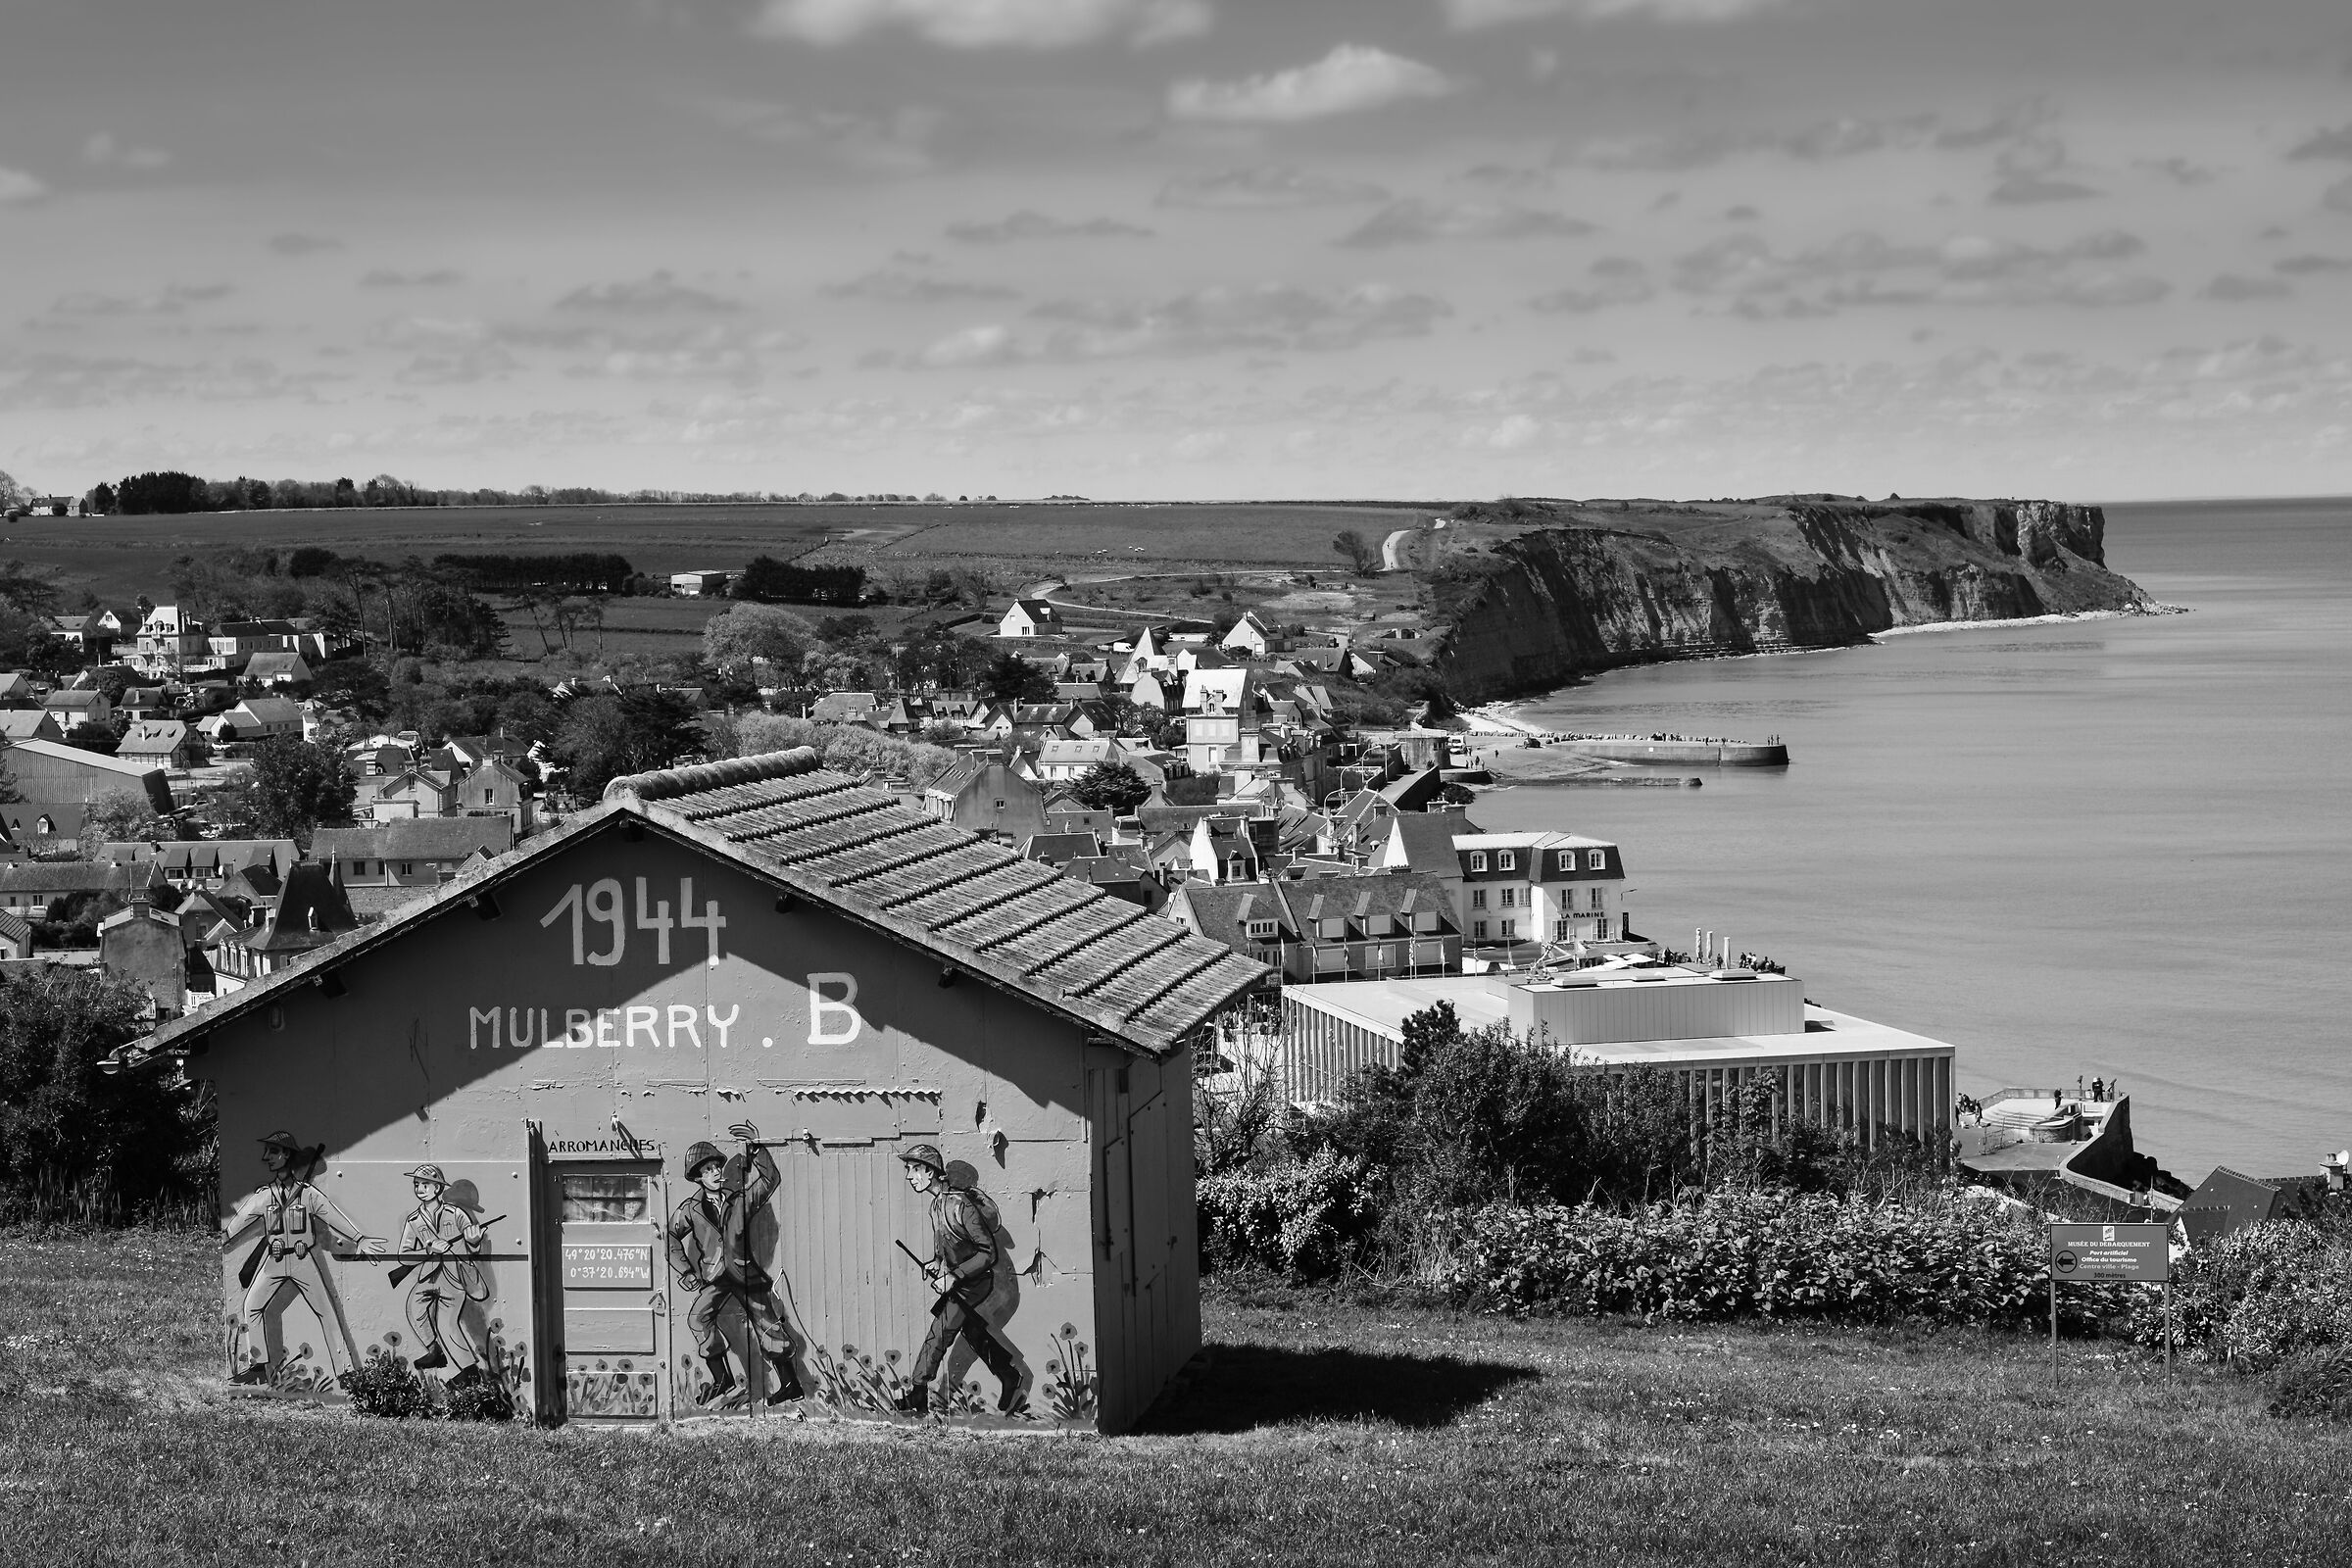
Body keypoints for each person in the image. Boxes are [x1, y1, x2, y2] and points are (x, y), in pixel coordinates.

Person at [221, 1130, 386, 1385]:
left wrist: (360, 1239)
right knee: (251, 1306)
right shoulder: (265, 1195)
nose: (267, 1158)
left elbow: (331, 1215)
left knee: (326, 1312)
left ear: (287, 1155)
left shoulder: (307, 1193)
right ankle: (259, 1365)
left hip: (302, 1259)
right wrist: (226, 1237)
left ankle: (345, 1373)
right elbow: (239, 1221)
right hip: (274, 1261)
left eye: (273, 1151)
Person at [664, 1120, 804, 1409]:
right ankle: (722, 1378)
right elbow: (671, 1238)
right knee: (697, 1318)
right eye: (707, 1170)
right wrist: (687, 1271)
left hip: (744, 1272)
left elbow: (770, 1181)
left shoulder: (740, 1200)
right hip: (715, 1276)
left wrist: (755, 1149)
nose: (714, 1173)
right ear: (697, 1177)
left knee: (767, 1327)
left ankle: (791, 1385)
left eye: (716, 1167)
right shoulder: (691, 1209)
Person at [893, 1143, 1023, 1417]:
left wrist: (954, 1276)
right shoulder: (935, 1207)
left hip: (976, 1282)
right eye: (908, 1169)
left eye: (914, 1169)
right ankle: (1010, 1375)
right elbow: (943, 1249)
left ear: (931, 1172)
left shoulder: (960, 1206)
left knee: (938, 1334)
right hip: (960, 1281)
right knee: (974, 1334)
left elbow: (987, 1252)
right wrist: (936, 1264)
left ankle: (918, 1393)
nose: (909, 1176)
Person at [394, 1164, 488, 1386]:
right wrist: (429, 1249)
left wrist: (473, 1241)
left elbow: (474, 1246)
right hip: (428, 1278)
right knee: (413, 1309)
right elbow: (403, 1256)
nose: (420, 1189)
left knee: (448, 1326)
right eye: (417, 1184)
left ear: (437, 1188)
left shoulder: (456, 1215)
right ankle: (434, 1349)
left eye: (425, 1184)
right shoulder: (414, 1220)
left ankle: (469, 1373)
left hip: (453, 1278)